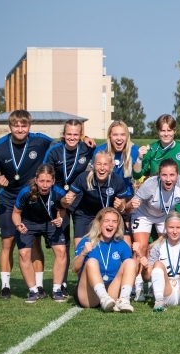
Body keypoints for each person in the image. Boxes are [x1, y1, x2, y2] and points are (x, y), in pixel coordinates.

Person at [0, 110, 53, 299]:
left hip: (31, 201)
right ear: (10, 126)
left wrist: (85, 139)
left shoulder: (40, 141)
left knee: (34, 243)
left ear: (29, 126)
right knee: (7, 242)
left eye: (24, 125)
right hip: (7, 200)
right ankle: (5, 286)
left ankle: (39, 286)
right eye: (16, 125)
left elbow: (62, 144)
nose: (20, 129)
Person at [126, 158, 180, 301]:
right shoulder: (150, 185)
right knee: (141, 247)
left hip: (165, 215)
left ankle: (155, 283)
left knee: (164, 248)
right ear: (159, 175)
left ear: (177, 174)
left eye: (172, 175)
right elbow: (131, 207)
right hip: (144, 214)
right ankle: (136, 287)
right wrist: (130, 206)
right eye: (164, 175)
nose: (168, 179)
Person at [43, 119, 96, 295]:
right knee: (62, 242)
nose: (72, 137)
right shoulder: (54, 150)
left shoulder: (87, 148)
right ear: (63, 135)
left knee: (82, 241)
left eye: (76, 134)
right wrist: (61, 195)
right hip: (59, 199)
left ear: (81, 135)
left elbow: (103, 155)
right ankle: (62, 283)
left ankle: (84, 278)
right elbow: (45, 174)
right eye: (68, 134)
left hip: (81, 200)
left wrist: (89, 138)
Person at [12, 164, 67, 302]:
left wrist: (60, 218)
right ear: (36, 180)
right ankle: (33, 291)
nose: (44, 185)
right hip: (28, 223)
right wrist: (19, 225)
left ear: (53, 181)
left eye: (48, 181)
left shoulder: (59, 193)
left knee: (61, 250)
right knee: (24, 254)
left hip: (50, 222)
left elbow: (62, 209)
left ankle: (57, 289)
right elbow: (16, 213)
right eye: (42, 181)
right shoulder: (26, 192)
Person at [137, 212, 180, 312]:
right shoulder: (158, 246)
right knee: (158, 264)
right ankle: (159, 301)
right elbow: (146, 278)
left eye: (178, 227)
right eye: (171, 227)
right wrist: (144, 268)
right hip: (166, 292)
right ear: (165, 227)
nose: (174, 231)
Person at [72, 208, 137, 312]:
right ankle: (103, 298)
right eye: (107, 221)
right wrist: (83, 253)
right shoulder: (86, 241)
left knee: (130, 262)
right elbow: (75, 269)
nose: (111, 224)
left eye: (115, 222)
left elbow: (132, 271)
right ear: (99, 223)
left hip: (111, 291)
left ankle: (124, 300)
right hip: (89, 294)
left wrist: (137, 256)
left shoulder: (121, 244)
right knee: (91, 261)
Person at [61, 151, 128, 248]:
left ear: (111, 166)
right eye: (98, 164)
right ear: (93, 165)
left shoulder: (117, 181)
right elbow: (65, 203)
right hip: (85, 216)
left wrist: (121, 207)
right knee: (80, 248)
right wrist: (65, 201)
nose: (102, 168)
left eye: (105, 164)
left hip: (107, 217)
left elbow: (123, 209)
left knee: (125, 245)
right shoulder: (83, 177)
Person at [93, 120, 141, 245]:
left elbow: (139, 173)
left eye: (122, 134)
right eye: (115, 135)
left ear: (127, 137)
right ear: (109, 136)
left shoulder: (134, 151)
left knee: (125, 239)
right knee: (100, 236)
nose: (119, 138)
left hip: (126, 197)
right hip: (103, 196)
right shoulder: (100, 150)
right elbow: (91, 173)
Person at [133, 114, 180, 180]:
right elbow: (136, 176)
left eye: (169, 130)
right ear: (158, 131)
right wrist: (139, 159)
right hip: (156, 189)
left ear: (174, 131)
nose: (166, 134)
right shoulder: (151, 149)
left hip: (178, 189)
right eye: (163, 131)